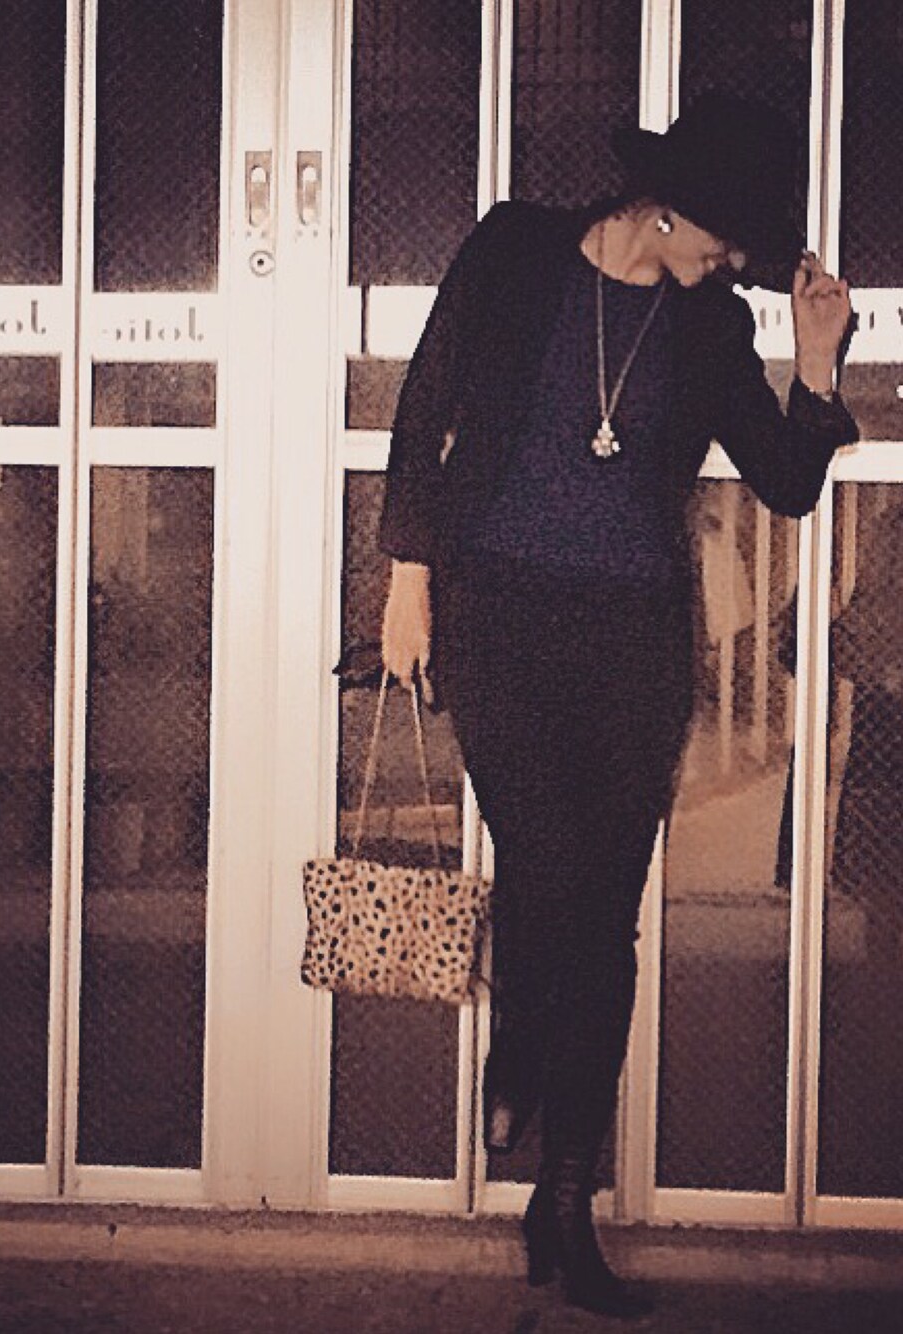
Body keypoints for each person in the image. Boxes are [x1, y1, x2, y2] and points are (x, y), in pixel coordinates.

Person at [378, 93, 857, 1319]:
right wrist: (407, 583)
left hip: (631, 646)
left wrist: (815, 362)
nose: (733, 263)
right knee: (549, 869)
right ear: (665, 207)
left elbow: (785, 481)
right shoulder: (514, 251)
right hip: (500, 624)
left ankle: (563, 1203)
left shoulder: (707, 325)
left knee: (604, 919)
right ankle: (521, 1034)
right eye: (726, 238)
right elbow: (426, 405)